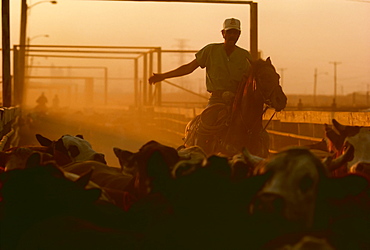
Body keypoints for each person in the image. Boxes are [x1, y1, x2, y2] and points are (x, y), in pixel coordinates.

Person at [148, 18, 253, 106]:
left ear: (239, 34)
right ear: (223, 33)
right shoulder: (210, 51)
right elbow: (189, 68)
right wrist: (164, 76)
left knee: (253, 125)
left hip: (239, 100)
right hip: (217, 100)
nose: (232, 36)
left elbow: (254, 79)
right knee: (206, 124)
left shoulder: (245, 56)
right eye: (229, 32)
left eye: (235, 33)